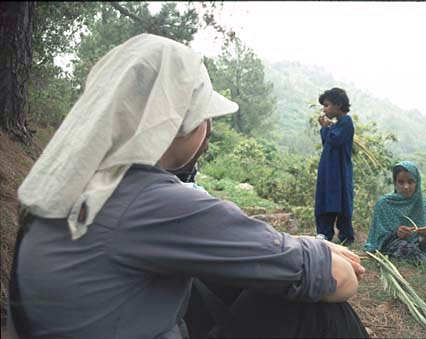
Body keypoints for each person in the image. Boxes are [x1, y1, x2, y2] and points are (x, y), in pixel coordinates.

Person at [9, 34, 368, 339]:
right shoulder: (151, 202)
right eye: (203, 117)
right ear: (177, 123)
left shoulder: (69, 185)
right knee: (320, 313)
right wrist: (313, 254)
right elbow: (340, 278)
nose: (208, 130)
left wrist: (301, 251)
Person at [363, 161, 426, 269]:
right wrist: (396, 235)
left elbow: (425, 247)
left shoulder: (422, 205)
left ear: (417, 182)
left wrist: (425, 236)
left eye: (410, 181)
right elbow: (376, 240)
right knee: (403, 248)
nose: (406, 186)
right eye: (401, 182)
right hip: (389, 250)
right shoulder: (384, 203)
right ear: (395, 183)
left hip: (416, 252)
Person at [315, 87, 356, 245]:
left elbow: (335, 140)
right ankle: (324, 233)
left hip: (339, 171)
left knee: (341, 201)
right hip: (328, 170)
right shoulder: (337, 124)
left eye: (327, 105)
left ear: (338, 105)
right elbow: (327, 142)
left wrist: (325, 127)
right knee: (326, 199)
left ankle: (345, 235)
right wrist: (326, 128)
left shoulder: (346, 122)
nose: (324, 109)